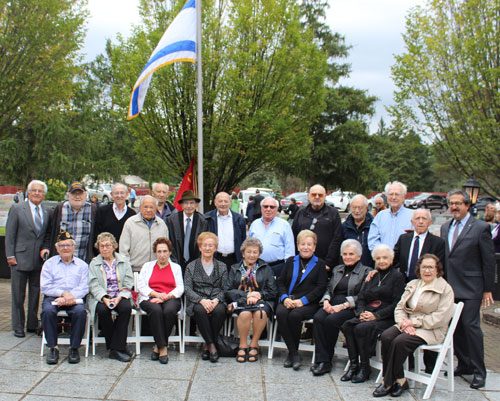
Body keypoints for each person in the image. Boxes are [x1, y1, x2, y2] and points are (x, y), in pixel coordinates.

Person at [373, 254, 454, 397]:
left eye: (430, 267)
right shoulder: (413, 284)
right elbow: (399, 307)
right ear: (419, 269)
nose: (427, 271)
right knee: (386, 336)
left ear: (437, 269)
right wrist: (403, 322)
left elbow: (441, 317)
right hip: (407, 324)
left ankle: (387, 382)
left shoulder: (445, 289)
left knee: (400, 341)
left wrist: (414, 323)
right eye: (424, 267)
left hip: (430, 329)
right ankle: (400, 379)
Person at [440, 189, 495, 389]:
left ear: (467, 205)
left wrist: (488, 289)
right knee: (455, 330)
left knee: (471, 328)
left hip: (472, 287)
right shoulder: (446, 227)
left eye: (458, 203)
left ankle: (480, 372)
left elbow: (488, 261)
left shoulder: (480, 227)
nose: (454, 207)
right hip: (450, 287)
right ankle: (464, 364)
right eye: (451, 203)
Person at [339, 244, 405, 382]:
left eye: (385, 257)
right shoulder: (372, 275)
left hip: (386, 316)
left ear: (392, 259)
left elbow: (397, 304)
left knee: (361, 328)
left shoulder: (397, 276)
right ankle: (354, 365)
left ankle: (365, 367)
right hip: (368, 313)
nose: (382, 261)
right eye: (378, 258)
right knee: (347, 325)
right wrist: (362, 313)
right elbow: (361, 297)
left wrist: (376, 316)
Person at [310, 239, 372, 376]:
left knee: (331, 321)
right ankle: (321, 359)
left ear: (359, 256)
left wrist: (343, 306)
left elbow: (363, 295)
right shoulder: (337, 269)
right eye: (345, 254)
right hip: (332, 304)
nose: (347, 257)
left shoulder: (367, 272)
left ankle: (326, 360)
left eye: (351, 254)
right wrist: (326, 301)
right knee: (318, 318)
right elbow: (329, 288)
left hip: (351, 307)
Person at [276, 230, 327, 370]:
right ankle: (294, 353)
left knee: (295, 315)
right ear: (297, 246)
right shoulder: (290, 261)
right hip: (288, 299)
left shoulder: (320, 264)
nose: (306, 247)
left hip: (308, 302)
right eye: (303, 244)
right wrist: (284, 298)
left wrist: (302, 301)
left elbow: (320, 288)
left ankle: (292, 354)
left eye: (309, 244)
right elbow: (280, 282)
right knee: (281, 313)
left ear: (314, 247)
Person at [5, 180, 50, 337]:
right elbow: (10, 234)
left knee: (35, 293)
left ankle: (32, 323)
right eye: (34, 190)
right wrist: (10, 255)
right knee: (18, 294)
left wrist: (46, 249)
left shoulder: (46, 211)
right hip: (19, 258)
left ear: (44, 195)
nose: (37, 193)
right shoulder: (17, 209)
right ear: (28, 193)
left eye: (40, 191)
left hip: (38, 260)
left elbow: (46, 235)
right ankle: (18, 325)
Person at [225, 238, 277, 363]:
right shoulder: (234, 268)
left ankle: (254, 344)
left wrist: (258, 295)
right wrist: (246, 296)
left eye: (255, 252)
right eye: (249, 252)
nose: (252, 255)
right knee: (245, 314)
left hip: (262, 301)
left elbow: (273, 291)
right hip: (240, 301)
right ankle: (243, 345)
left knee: (261, 313)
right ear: (243, 253)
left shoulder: (266, 268)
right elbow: (228, 290)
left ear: (259, 254)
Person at [40, 231, 89, 365]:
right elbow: (45, 287)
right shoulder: (49, 264)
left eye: (68, 245)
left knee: (80, 312)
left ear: (74, 247)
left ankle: (74, 348)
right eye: (62, 246)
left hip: (74, 298)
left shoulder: (82, 265)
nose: (65, 248)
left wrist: (69, 297)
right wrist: (62, 294)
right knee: (48, 311)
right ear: (57, 248)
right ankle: (52, 348)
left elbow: (84, 287)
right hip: (53, 297)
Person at [88, 232, 135, 362]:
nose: (105, 249)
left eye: (108, 245)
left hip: (120, 295)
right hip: (103, 296)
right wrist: (104, 297)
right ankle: (118, 347)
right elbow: (93, 284)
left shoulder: (123, 261)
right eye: (102, 246)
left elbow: (128, 281)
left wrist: (120, 297)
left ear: (114, 246)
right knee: (103, 310)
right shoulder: (94, 263)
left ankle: (115, 348)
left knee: (125, 308)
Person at [137, 237, 184, 364]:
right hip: (150, 297)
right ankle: (163, 347)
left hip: (170, 297)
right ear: (155, 253)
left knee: (169, 310)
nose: (162, 255)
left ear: (169, 252)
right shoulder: (147, 266)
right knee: (156, 310)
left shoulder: (176, 267)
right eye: (159, 251)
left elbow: (180, 287)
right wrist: (156, 295)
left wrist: (166, 296)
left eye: (165, 251)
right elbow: (141, 286)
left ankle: (158, 346)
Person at [184, 232, 227, 363]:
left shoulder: (222, 266)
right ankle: (212, 345)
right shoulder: (191, 266)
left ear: (215, 248)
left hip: (216, 299)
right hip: (198, 300)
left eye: (211, 245)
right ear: (200, 247)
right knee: (200, 310)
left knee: (220, 310)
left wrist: (216, 300)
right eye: (205, 245)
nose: (208, 248)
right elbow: (187, 288)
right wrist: (201, 300)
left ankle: (207, 346)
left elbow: (225, 288)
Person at [42, 181, 98, 263]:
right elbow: (50, 231)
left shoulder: (93, 210)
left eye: (80, 193)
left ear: (85, 195)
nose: (77, 197)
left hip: (84, 260)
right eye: (74, 194)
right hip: (61, 260)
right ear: (68, 195)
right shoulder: (60, 209)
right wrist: (46, 247)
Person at [292, 184, 343, 273]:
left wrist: (328, 263)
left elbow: (337, 239)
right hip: (302, 264)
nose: (317, 197)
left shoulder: (333, 213)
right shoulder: (300, 213)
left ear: (325, 196)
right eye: (313, 194)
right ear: (308, 196)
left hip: (325, 265)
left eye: (320, 195)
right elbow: (294, 236)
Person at [119, 195, 168, 272]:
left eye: (151, 207)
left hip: (156, 270)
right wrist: (127, 271)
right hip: (135, 270)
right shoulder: (130, 223)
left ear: (156, 209)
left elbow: (166, 249)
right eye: (145, 207)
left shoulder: (161, 224)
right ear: (140, 208)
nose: (148, 210)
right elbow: (123, 251)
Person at [393, 209, 445, 281]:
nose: (420, 222)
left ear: (430, 222)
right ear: (412, 222)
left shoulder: (438, 242)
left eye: (424, 218)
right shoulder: (403, 239)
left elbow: (439, 268)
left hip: (426, 284)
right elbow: (393, 260)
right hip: (404, 284)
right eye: (417, 218)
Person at [249, 197, 295, 277]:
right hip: (256, 267)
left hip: (277, 268)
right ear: (261, 208)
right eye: (265, 206)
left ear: (277, 209)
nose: (268, 209)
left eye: (272, 207)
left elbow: (290, 249)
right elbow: (248, 246)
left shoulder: (284, 225)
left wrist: (288, 268)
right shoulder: (254, 224)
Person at [167, 190, 209, 272]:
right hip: (176, 263)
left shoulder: (203, 221)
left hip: (197, 265)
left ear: (196, 205)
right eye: (186, 203)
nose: (189, 206)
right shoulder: (172, 220)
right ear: (181, 205)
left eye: (191, 203)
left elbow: (204, 244)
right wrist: (174, 262)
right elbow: (170, 241)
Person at [204, 192, 246, 269]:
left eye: (226, 201)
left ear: (230, 203)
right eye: (220, 201)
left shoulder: (239, 219)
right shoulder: (207, 218)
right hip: (214, 259)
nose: (223, 204)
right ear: (215, 203)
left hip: (234, 260)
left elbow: (243, 240)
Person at [368, 181, 413, 250]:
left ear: (403, 197)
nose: (393, 197)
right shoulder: (380, 216)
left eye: (397, 194)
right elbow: (373, 240)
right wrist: (383, 255)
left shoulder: (413, 216)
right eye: (391, 194)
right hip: (383, 259)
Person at [94, 183, 136, 248]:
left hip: (125, 255)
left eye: (122, 193)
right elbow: (96, 235)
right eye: (116, 193)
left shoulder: (132, 214)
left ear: (127, 194)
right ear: (111, 195)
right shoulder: (102, 212)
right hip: (105, 254)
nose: (119, 196)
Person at [342, 194, 374, 267]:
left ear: (366, 208)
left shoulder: (374, 226)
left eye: (360, 208)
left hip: (369, 270)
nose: (357, 211)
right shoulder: (344, 226)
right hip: (349, 270)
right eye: (354, 207)